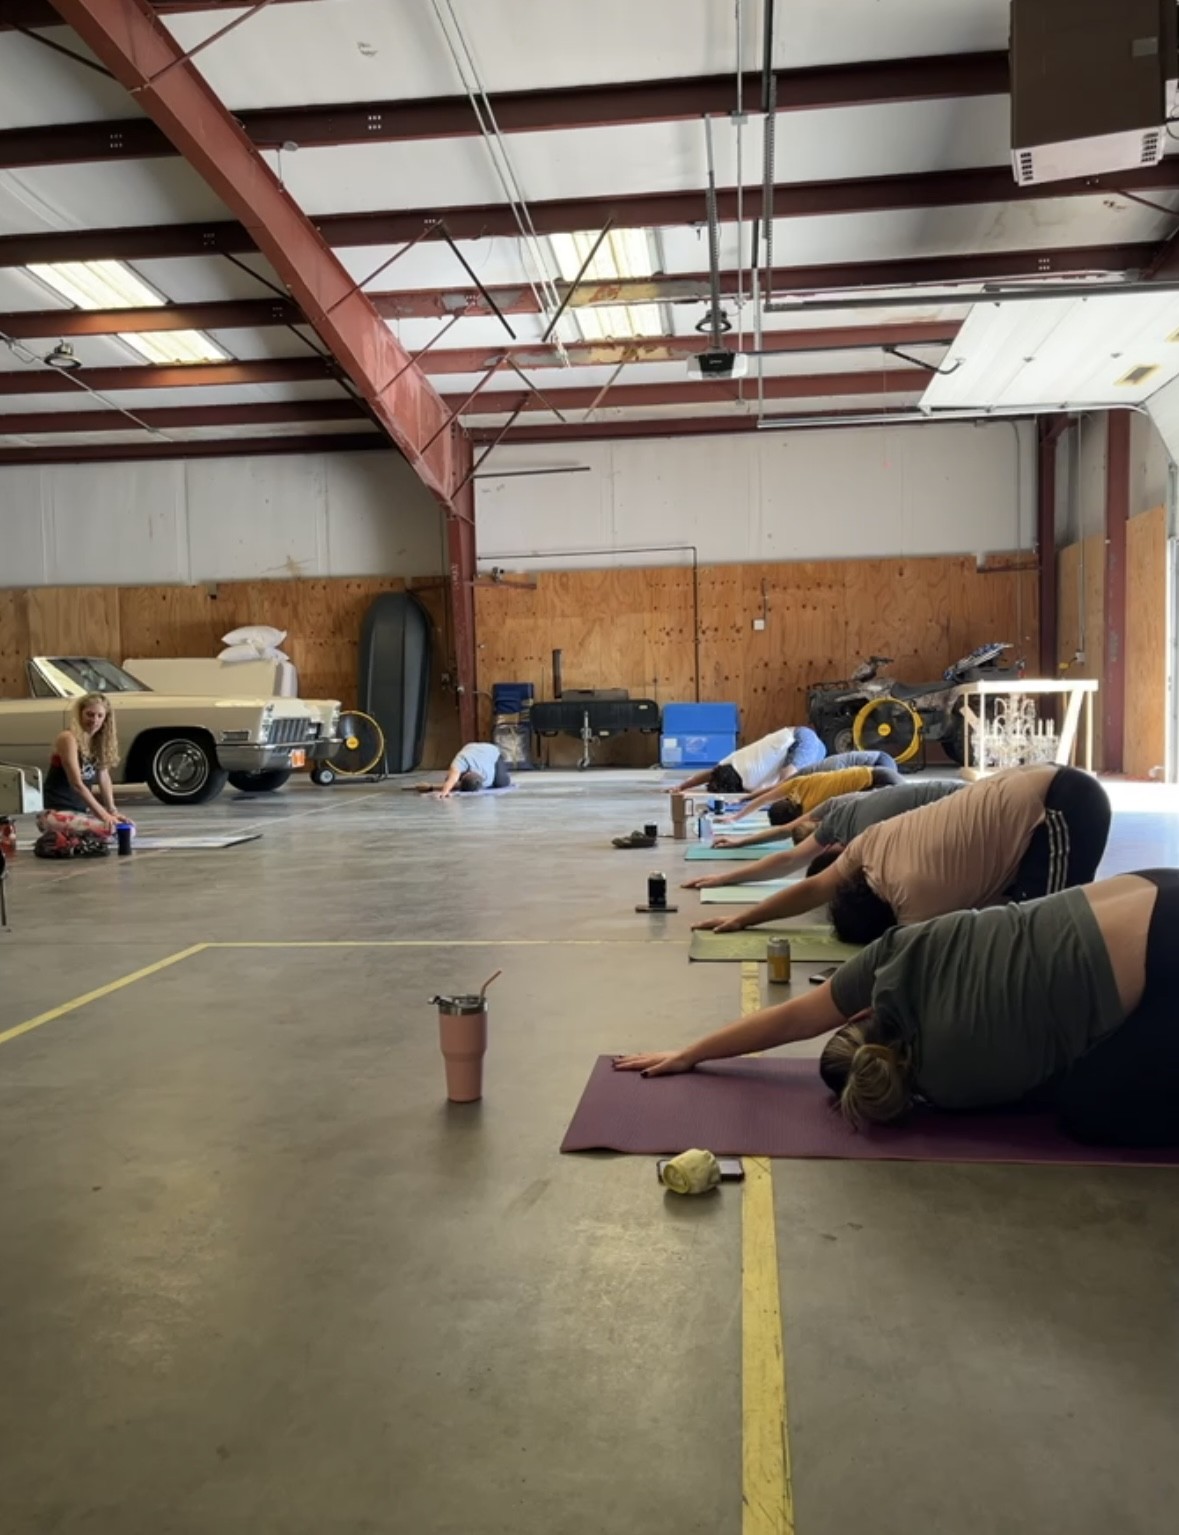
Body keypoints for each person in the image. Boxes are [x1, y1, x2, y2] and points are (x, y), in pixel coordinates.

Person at [615, 871, 1179, 1149]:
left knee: (1088, 1112)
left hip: (1163, 956)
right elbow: (794, 1019)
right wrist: (692, 1052)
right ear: (860, 1018)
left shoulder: (955, 1084)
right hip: (1150, 886)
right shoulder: (891, 956)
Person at [692, 764, 1110, 944]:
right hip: (1031, 785)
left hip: (1059, 807)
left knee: (1040, 934)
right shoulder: (866, 844)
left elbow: (916, 959)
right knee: (1019, 918)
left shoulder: (916, 905)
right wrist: (744, 918)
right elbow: (815, 885)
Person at [700, 778, 965, 861]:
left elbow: (784, 833)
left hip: (883, 774)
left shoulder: (837, 811)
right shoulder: (842, 819)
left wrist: (738, 829)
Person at [37, 692, 133, 841]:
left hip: (80, 812)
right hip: (56, 813)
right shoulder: (68, 738)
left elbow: (104, 776)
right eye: (90, 714)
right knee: (108, 832)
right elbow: (76, 784)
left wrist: (112, 811)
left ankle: (74, 837)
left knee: (127, 829)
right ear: (80, 714)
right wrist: (103, 815)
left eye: (100, 716)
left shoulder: (97, 742)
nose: (94, 720)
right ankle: (60, 836)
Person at [714, 760, 902, 824]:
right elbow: (763, 798)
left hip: (879, 782)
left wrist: (736, 818)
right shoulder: (795, 786)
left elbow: (763, 801)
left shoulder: (812, 811)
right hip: (879, 771)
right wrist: (735, 817)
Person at [668, 724, 826, 796]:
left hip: (802, 742)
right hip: (799, 732)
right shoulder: (729, 762)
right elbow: (709, 774)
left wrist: (743, 802)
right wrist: (681, 786)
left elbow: (771, 791)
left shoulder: (749, 781)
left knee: (786, 783)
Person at [434, 742, 511, 798]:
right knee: (500, 783)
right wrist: (446, 790)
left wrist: (445, 791)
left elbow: (452, 778)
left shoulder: (461, 760)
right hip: (472, 748)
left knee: (501, 782)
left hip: (492, 751)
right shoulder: (487, 780)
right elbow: (453, 778)